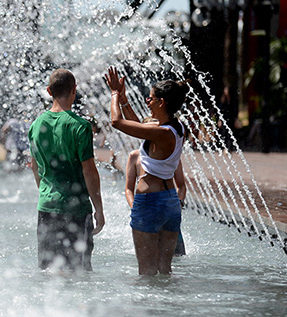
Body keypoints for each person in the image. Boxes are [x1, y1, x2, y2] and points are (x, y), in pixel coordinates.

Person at [106, 66, 189, 275]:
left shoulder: (161, 132)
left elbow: (117, 122)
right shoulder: (175, 129)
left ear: (162, 102)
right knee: (165, 270)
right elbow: (138, 124)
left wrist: (115, 94)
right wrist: (124, 98)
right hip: (170, 202)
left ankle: (147, 307)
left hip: (149, 202)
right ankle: (169, 306)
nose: (147, 101)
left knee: (146, 271)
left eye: (150, 99)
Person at [28, 68, 105, 272]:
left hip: (46, 207)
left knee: (49, 271)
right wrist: (99, 208)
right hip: (76, 209)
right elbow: (89, 170)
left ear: (49, 91)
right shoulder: (80, 127)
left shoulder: (36, 125)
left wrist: (46, 192)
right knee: (79, 272)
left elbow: (35, 167)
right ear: (74, 90)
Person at [124, 140, 187, 256]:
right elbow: (128, 189)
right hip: (145, 209)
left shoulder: (171, 155)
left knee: (177, 257)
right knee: (147, 258)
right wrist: (135, 207)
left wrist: (179, 204)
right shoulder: (135, 156)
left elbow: (181, 185)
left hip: (169, 209)